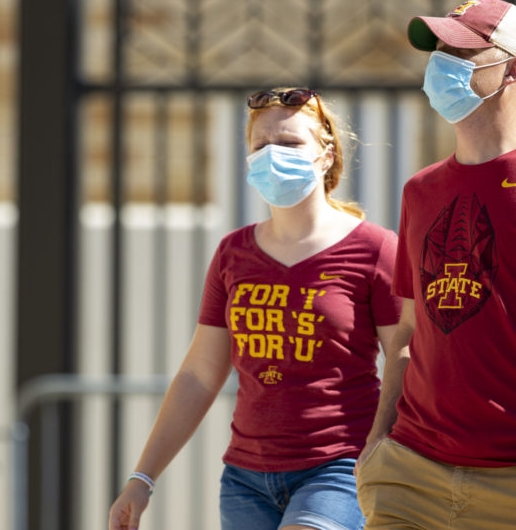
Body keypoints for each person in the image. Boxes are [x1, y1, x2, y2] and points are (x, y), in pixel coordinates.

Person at [355, 0, 516, 530]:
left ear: (514, 69)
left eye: (462, 50)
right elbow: (408, 327)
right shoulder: (420, 190)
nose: (442, 63)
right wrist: (376, 443)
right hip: (409, 472)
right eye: (440, 50)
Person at [109, 87, 402, 530]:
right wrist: (141, 478)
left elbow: (406, 358)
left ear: (325, 155)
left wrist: (381, 445)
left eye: (288, 143)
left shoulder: (375, 248)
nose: (272, 156)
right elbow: (200, 373)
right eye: (260, 145)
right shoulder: (233, 253)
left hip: (339, 468)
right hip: (246, 480)